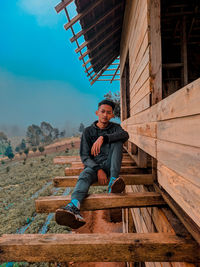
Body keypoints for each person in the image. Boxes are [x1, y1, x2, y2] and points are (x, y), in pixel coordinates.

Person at [55, 99, 129, 229]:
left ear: (112, 115)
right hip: (94, 167)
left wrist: (104, 138)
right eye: (102, 112)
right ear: (97, 113)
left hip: (112, 165)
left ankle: (113, 182)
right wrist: (98, 169)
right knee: (84, 175)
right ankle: (73, 207)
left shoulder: (116, 128)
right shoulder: (88, 132)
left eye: (108, 112)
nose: (105, 115)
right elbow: (84, 156)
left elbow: (125, 135)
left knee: (118, 140)